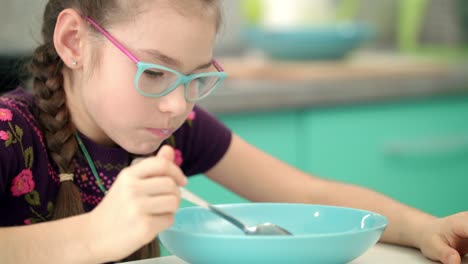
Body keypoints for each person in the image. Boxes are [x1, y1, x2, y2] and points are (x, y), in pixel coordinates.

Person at [0, 0, 466, 263]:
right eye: (156, 72)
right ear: (73, 42)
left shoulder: (175, 128)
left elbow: (307, 193)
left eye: (195, 78)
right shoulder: (10, 133)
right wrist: (94, 234)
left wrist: (424, 228)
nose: (177, 105)